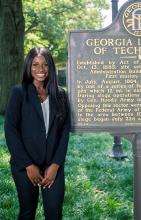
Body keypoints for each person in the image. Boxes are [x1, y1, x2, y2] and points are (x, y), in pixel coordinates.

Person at [4, 47, 70, 220]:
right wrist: (28, 165)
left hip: (52, 165)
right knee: (27, 212)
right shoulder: (18, 93)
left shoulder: (61, 95)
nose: (40, 70)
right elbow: (10, 130)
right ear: (29, 66)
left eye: (45, 65)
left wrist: (55, 165)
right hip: (25, 165)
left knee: (54, 213)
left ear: (51, 68)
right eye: (35, 64)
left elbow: (64, 133)